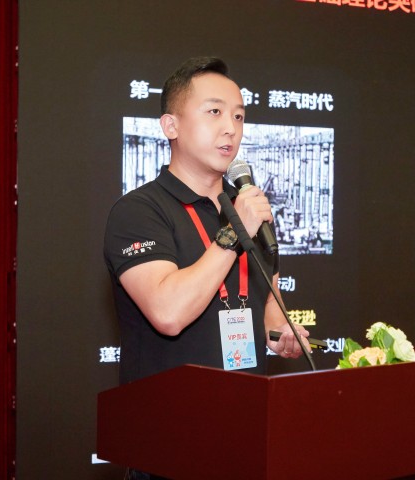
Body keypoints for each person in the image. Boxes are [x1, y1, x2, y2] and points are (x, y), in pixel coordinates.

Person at [103, 57, 310, 479]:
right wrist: (233, 234)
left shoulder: (248, 207)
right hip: (170, 444)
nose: (230, 128)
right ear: (171, 126)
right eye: (214, 112)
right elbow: (168, 312)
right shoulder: (139, 212)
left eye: (238, 116)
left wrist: (280, 333)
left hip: (244, 432)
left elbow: (267, 303)